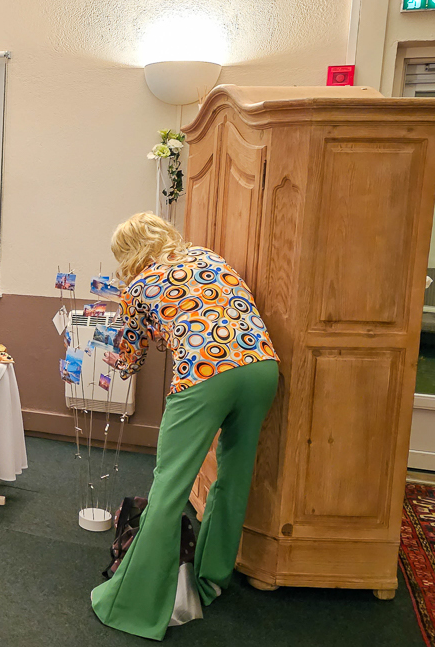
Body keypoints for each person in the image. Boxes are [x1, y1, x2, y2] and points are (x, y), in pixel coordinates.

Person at [90, 212, 279, 640]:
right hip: (262, 368)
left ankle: (132, 604)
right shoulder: (210, 257)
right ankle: (211, 579)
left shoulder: (139, 285)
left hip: (205, 375)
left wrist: (118, 361)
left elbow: (130, 358)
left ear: (130, 253)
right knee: (233, 478)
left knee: (169, 486)